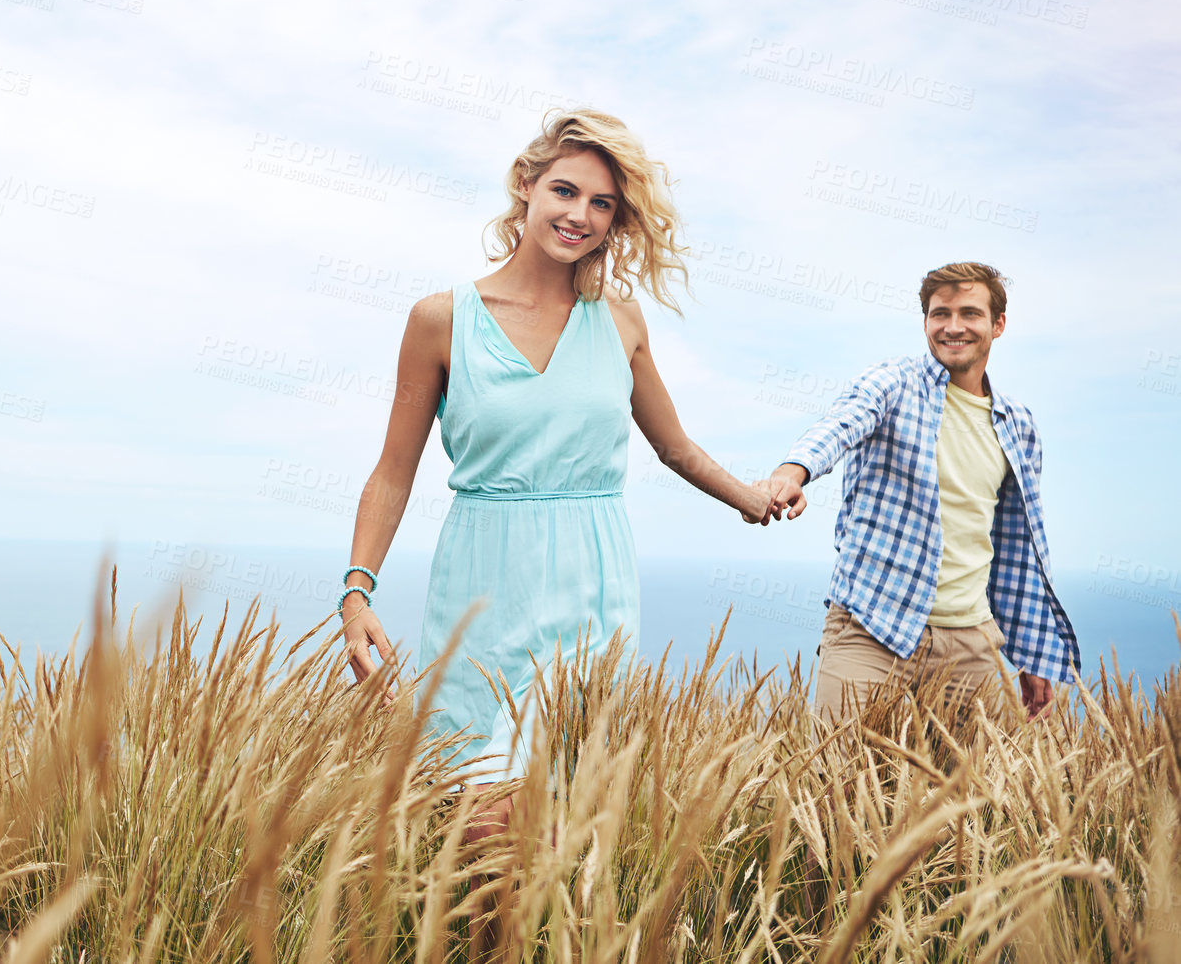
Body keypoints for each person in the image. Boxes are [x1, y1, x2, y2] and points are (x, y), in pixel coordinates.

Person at [333, 109, 776, 953]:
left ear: (618, 220)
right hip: (481, 593)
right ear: (525, 189)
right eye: (564, 190)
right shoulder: (441, 319)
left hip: (591, 585)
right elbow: (394, 471)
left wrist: (747, 499)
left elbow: (674, 445)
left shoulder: (621, 322)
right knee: (476, 826)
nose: (579, 214)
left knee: (548, 823)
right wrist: (357, 590)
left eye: (602, 203)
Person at [756, 262, 1080, 725]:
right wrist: (793, 473)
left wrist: (1032, 653)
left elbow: (1018, 548)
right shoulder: (893, 384)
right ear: (925, 322)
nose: (953, 327)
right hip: (872, 629)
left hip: (972, 644)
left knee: (987, 796)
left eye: (969, 313)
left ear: (998, 325)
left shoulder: (1019, 426)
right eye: (939, 314)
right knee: (833, 786)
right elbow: (839, 425)